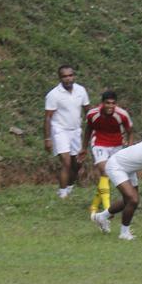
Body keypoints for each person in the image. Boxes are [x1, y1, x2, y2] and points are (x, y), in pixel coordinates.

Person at [81, 91, 134, 216]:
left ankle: (94, 206)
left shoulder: (122, 115)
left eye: (113, 103)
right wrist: (84, 148)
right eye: (107, 103)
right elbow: (88, 129)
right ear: (102, 103)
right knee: (105, 172)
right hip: (99, 144)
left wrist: (130, 148)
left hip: (117, 145)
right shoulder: (92, 114)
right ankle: (107, 208)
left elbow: (130, 131)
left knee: (108, 176)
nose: (110, 106)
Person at [44, 65, 90, 199]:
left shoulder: (81, 90)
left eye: (70, 75)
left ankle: (69, 187)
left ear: (74, 76)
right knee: (66, 162)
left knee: (77, 163)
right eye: (64, 76)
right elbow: (48, 117)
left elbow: (88, 110)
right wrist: (47, 138)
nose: (68, 79)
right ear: (60, 78)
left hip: (75, 131)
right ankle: (62, 194)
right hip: (60, 130)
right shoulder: (54, 95)